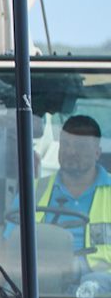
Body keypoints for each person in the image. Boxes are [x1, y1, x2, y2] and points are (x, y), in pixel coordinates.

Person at [26, 115, 111, 281]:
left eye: (80, 145)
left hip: (103, 297)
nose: (70, 152)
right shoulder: (32, 191)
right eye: (65, 144)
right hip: (41, 289)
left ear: (97, 152)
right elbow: (10, 249)